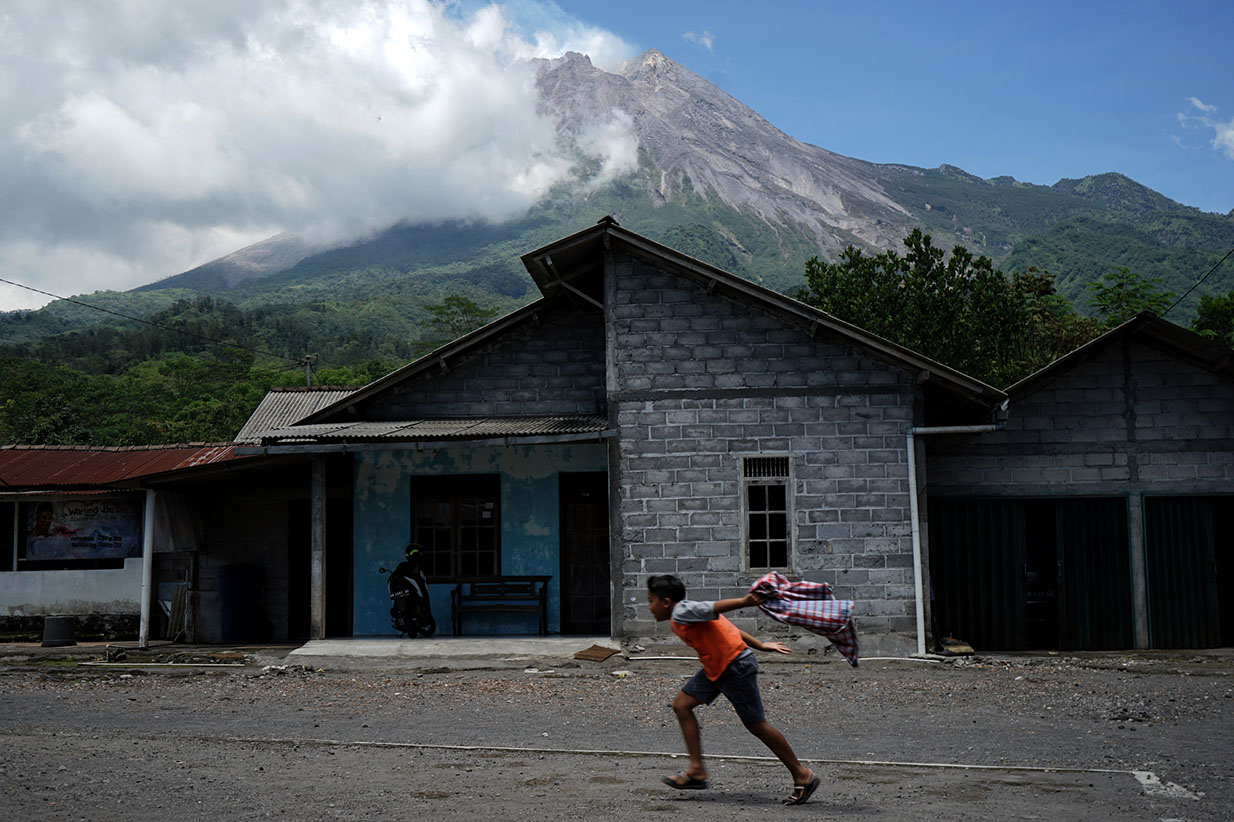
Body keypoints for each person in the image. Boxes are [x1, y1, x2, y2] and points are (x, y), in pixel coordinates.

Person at [646, 573, 820, 806]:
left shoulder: (682, 611)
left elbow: (715, 607)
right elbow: (728, 628)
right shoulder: (688, 614)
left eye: (651, 601)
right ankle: (697, 771)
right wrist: (760, 645)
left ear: (666, 602)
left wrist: (744, 602)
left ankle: (802, 774)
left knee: (757, 724)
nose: (649, 608)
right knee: (682, 705)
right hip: (716, 668)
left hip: (734, 666)